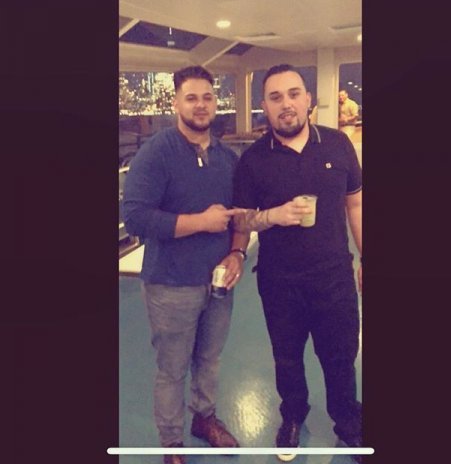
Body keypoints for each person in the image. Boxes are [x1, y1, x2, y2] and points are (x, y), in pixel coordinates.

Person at [232, 64, 363, 463]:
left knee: (340, 356)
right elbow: (241, 219)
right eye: (275, 97)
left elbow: (356, 204)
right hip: (279, 282)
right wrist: (272, 216)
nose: (285, 104)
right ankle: (292, 415)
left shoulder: (337, 144)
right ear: (264, 106)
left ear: (308, 99)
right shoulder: (253, 160)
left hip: (335, 278)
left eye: (293, 94)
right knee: (286, 357)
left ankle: (348, 422)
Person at [123, 65, 248, 464]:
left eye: (207, 97)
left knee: (210, 359)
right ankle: (172, 442)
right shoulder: (156, 153)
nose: (200, 105)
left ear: (216, 102)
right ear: (176, 103)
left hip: (219, 282)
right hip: (170, 284)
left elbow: (241, 215)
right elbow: (136, 218)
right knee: (172, 368)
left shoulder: (227, 158)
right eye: (191, 97)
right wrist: (201, 222)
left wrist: (237, 253)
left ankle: (204, 419)